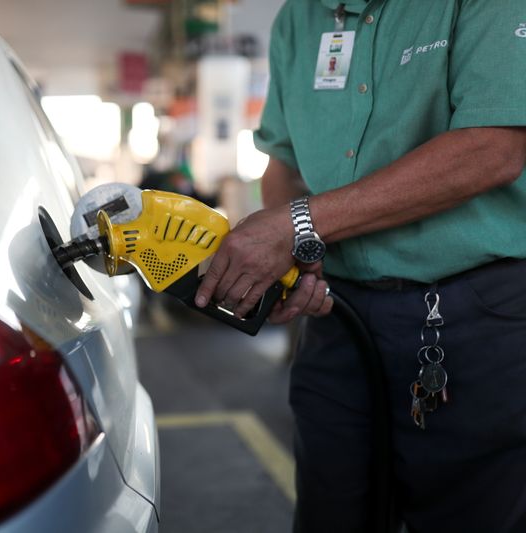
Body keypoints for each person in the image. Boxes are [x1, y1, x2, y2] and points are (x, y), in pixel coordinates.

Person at [194, 1, 526, 532]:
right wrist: (302, 259)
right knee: (333, 511)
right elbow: (283, 159)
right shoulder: (298, 19)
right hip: (337, 315)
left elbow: (492, 147)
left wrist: (297, 225)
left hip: (478, 318)